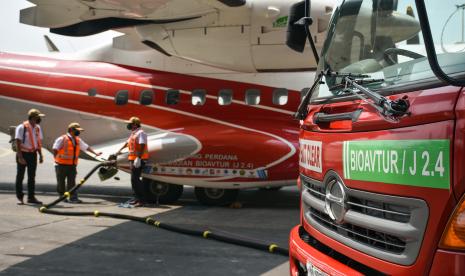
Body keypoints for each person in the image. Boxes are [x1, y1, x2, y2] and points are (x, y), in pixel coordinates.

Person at [53, 122, 101, 203]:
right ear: (71, 130)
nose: (79, 132)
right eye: (77, 130)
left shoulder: (77, 139)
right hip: (61, 165)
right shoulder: (62, 139)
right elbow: (55, 148)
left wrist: (95, 153)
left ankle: (73, 197)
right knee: (61, 182)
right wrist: (56, 159)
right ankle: (62, 197)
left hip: (72, 165)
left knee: (72, 182)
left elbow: (86, 147)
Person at [115, 117, 149, 207]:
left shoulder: (141, 133)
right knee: (134, 180)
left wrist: (138, 158)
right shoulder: (134, 133)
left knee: (135, 180)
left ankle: (141, 200)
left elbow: (142, 145)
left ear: (134, 124)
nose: (128, 125)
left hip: (138, 160)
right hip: (132, 159)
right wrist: (120, 150)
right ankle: (137, 198)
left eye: (129, 123)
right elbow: (128, 143)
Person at [15, 109, 45, 205]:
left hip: (33, 154)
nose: (39, 118)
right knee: (20, 176)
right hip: (23, 154)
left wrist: (40, 154)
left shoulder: (37, 128)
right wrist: (20, 157)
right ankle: (19, 197)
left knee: (31, 177)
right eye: (38, 117)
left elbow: (38, 142)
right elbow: (18, 143)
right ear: (33, 117)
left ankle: (31, 197)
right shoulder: (21, 127)